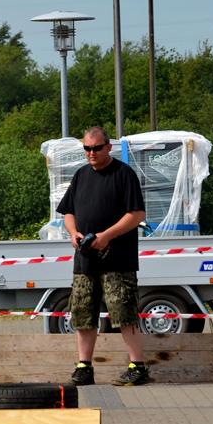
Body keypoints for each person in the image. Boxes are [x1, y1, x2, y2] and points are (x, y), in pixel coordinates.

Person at [56, 125, 150, 386]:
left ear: (109, 147)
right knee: (83, 313)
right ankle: (84, 367)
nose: (91, 153)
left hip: (117, 259)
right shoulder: (81, 176)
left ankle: (137, 366)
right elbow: (68, 212)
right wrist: (74, 233)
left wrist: (106, 236)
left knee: (124, 312)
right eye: (87, 148)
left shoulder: (124, 174)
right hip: (85, 260)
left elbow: (137, 215)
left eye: (96, 148)